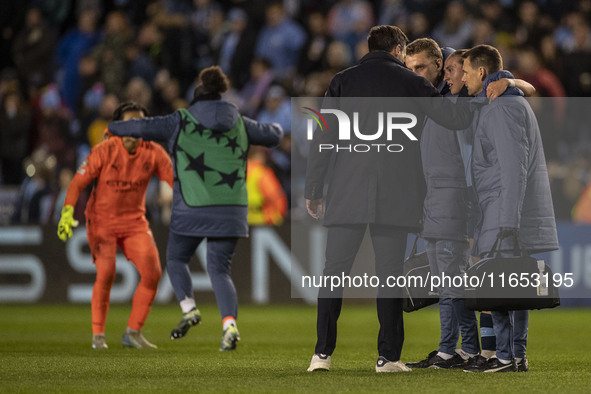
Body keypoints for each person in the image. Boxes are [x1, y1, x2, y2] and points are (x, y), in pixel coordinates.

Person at [305, 25, 474, 373]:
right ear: (398, 50)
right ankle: (388, 358)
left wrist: (313, 190)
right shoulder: (412, 83)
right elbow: (455, 118)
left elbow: (322, 137)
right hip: (394, 195)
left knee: (333, 274)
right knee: (390, 277)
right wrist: (488, 89)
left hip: (345, 192)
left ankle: (321, 355)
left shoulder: (342, 81)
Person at [107, 66, 283, 351]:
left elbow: (138, 127)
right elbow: (274, 135)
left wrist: (113, 128)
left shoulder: (179, 120)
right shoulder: (238, 121)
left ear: (195, 97)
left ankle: (189, 307)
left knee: (176, 259)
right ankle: (229, 325)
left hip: (192, 208)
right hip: (230, 211)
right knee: (219, 271)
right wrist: (260, 126)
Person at [461, 45, 559, 372]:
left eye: (465, 71)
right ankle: (516, 357)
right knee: (512, 286)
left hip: (503, 212)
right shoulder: (502, 103)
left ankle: (505, 356)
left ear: (481, 72)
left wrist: (508, 223)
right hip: (502, 210)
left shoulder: (503, 109)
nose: (461, 78)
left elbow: (512, 169)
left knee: (500, 286)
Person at [57, 102, 174, 349]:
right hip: (101, 221)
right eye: (128, 124)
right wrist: (67, 212)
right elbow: (77, 183)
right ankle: (98, 335)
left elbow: (174, 182)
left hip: (134, 222)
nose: (134, 130)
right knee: (107, 272)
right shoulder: (104, 151)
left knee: (153, 273)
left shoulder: (153, 151)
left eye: (139, 124)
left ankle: (133, 332)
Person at [403, 39, 480, 370]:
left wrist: (506, 79)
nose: (448, 75)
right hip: (434, 200)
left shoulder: (464, 107)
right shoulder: (439, 105)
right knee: (446, 281)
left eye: (451, 70)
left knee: (451, 279)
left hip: (452, 198)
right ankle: (467, 348)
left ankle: (450, 349)